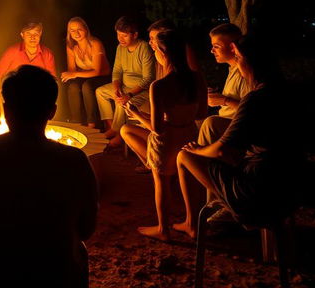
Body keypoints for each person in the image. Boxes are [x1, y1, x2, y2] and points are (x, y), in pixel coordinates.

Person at [0, 65, 98, 288]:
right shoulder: (75, 160)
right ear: (52, 111)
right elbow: (86, 230)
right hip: (55, 278)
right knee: (79, 248)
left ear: (6, 110)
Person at [175, 35, 301, 238]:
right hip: (289, 183)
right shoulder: (285, 92)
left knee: (184, 156)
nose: (238, 63)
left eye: (239, 58)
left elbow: (222, 149)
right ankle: (226, 208)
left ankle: (218, 212)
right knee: (215, 137)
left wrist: (198, 150)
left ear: (250, 62)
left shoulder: (256, 98)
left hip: (257, 188)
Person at [121, 29, 207, 240]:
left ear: (162, 52)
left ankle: (163, 229)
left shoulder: (159, 86)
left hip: (166, 140)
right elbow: (202, 113)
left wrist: (136, 114)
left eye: (155, 50)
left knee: (161, 181)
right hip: (188, 135)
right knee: (188, 179)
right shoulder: (196, 79)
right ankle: (192, 224)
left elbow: (157, 128)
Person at [95, 16, 155, 147]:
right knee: (100, 92)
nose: (120, 39)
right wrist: (116, 87)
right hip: (124, 85)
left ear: (134, 35)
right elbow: (117, 71)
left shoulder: (144, 48)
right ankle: (113, 129)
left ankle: (116, 134)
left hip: (141, 91)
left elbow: (148, 78)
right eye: (118, 35)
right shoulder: (120, 48)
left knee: (122, 101)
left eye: (124, 35)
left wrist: (129, 95)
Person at [198, 23, 251, 146]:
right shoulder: (232, 69)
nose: (212, 51)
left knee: (210, 123)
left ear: (233, 47)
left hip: (237, 129)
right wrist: (217, 97)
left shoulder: (244, 74)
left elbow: (250, 112)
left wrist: (224, 101)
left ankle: (200, 161)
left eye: (216, 46)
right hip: (227, 124)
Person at [0, 21, 57, 118]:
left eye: (36, 34)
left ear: (40, 34)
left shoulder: (47, 54)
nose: (32, 37)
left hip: (36, 97)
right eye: (28, 34)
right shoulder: (12, 51)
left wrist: (49, 103)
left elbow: (52, 81)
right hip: (13, 96)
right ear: (22, 35)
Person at [60, 17, 111, 127]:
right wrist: (70, 75)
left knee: (87, 87)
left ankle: (92, 123)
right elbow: (72, 71)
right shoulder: (71, 46)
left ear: (86, 29)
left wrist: (75, 74)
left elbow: (97, 71)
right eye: (72, 30)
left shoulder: (95, 44)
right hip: (85, 75)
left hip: (102, 75)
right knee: (73, 86)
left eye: (79, 29)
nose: (76, 33)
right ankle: (76, 122)